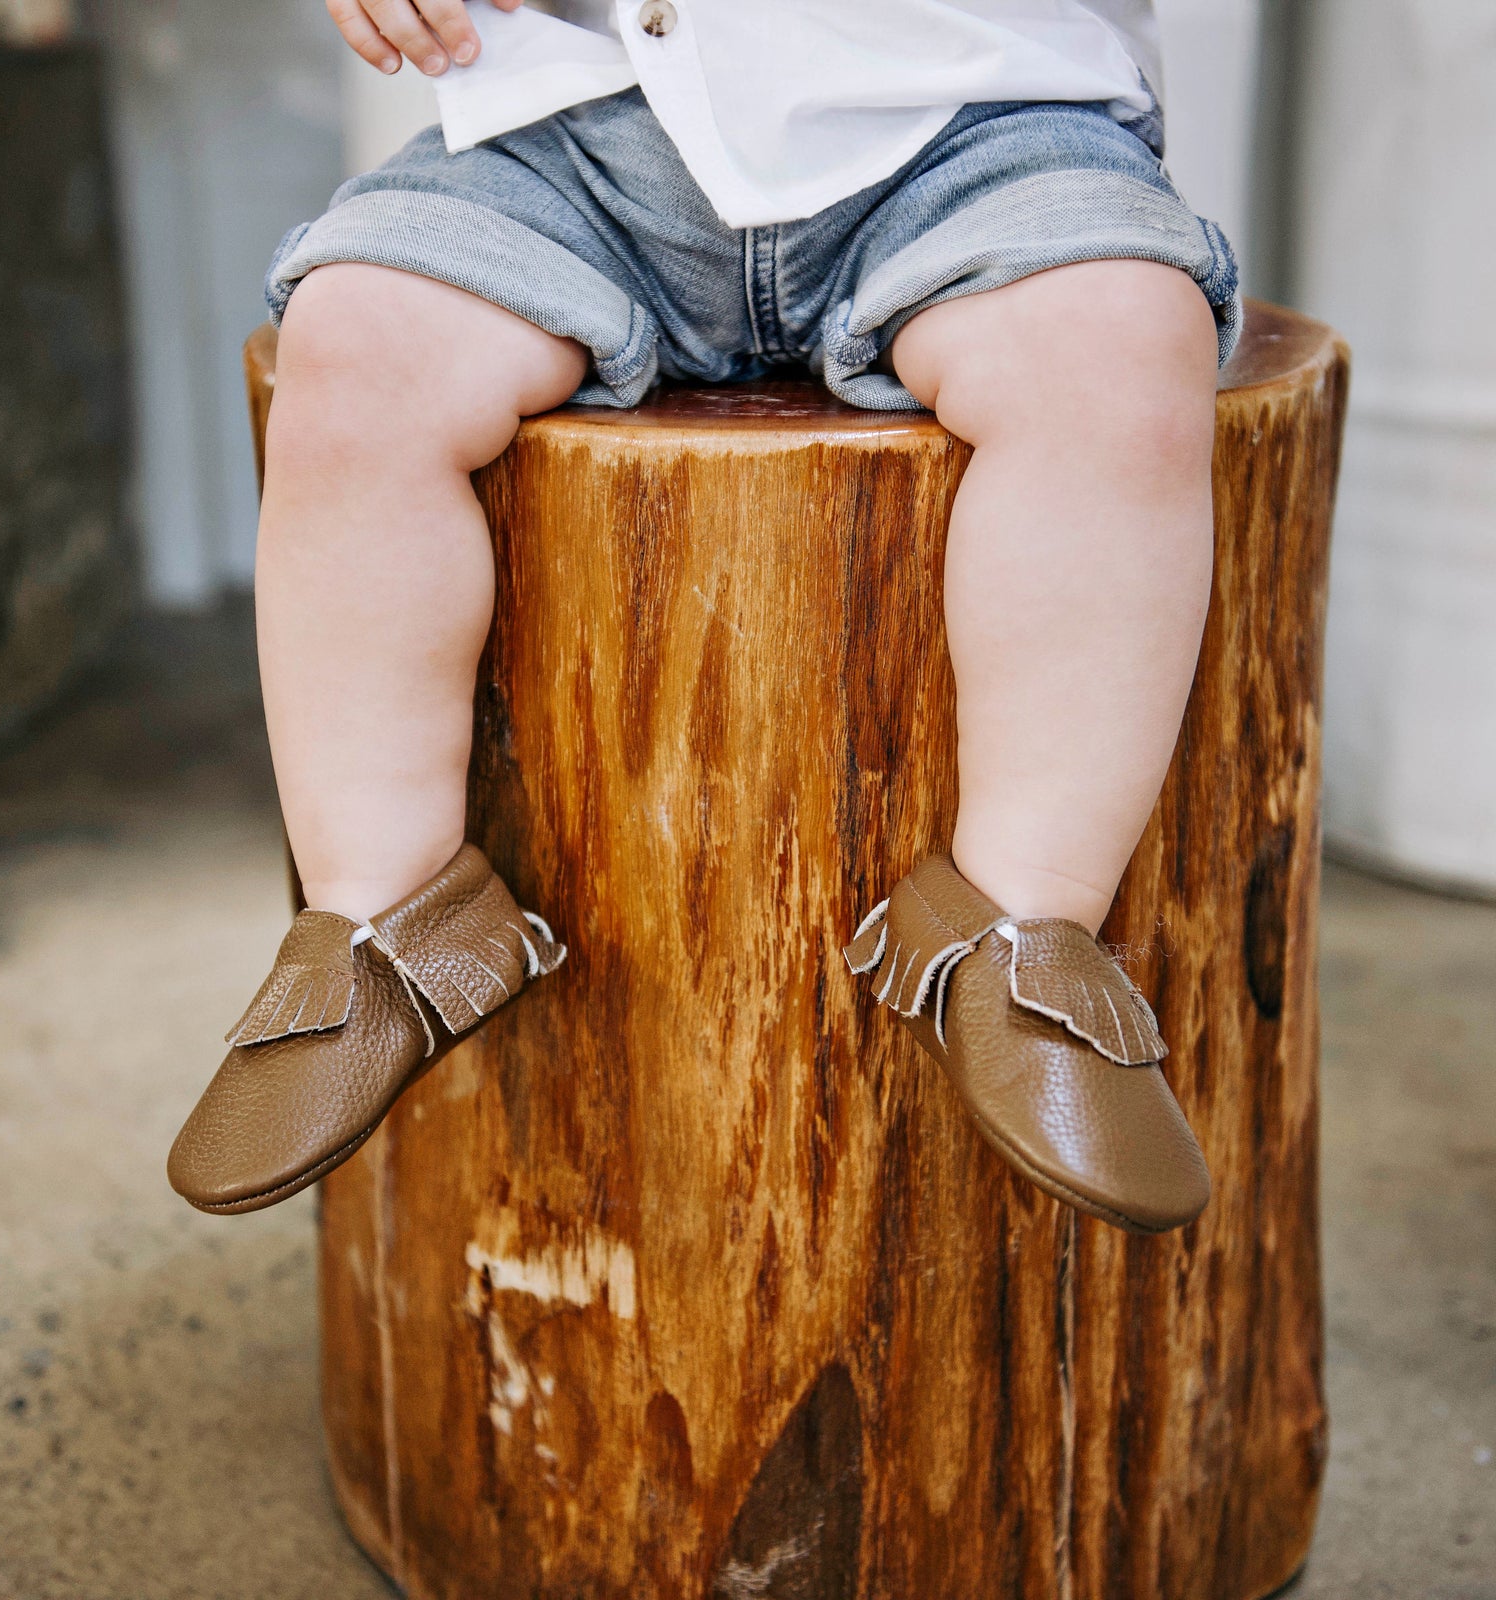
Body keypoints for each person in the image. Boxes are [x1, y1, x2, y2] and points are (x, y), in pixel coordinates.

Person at [167, 0, 1234, 1233]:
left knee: (1112, 344)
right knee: (356, 348)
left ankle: (1021, 920)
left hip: (974, 121)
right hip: (576, 138)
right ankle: (384, 914)